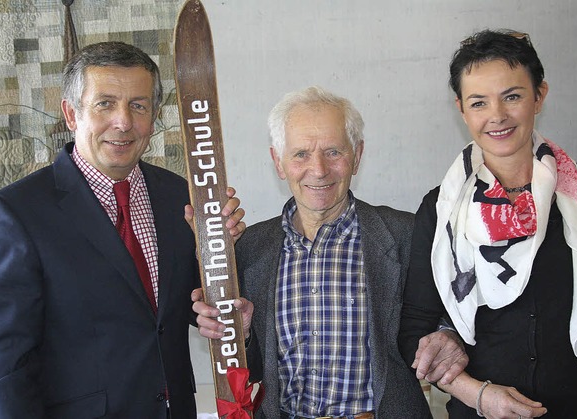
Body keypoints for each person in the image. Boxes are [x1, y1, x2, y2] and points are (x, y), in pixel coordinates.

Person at [0, 41, 244, 418]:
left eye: (139, 105)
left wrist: (219, 260)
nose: (124, 122)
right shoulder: (18, 212)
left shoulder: (182, 195)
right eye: (105, 104)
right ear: (71, 113)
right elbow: (7, 363)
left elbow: (180, 310)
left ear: (155, 115)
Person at [398, 29, 577, 419]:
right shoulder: (441, 208)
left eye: (512, 96)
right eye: (479, 102)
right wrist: (478, 396)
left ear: (539, 95)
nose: (497, 116)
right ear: (461, 109)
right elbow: (415, 330)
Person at [193, 85, 469, 419]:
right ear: (278, 163)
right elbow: (249, 371)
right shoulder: (250, 248)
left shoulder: (407, 235)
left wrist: (448, 337)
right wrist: (243, 333)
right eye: (300, 154)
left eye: (333, 152)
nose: (319, 170)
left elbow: (454, 318)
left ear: (357, 155)